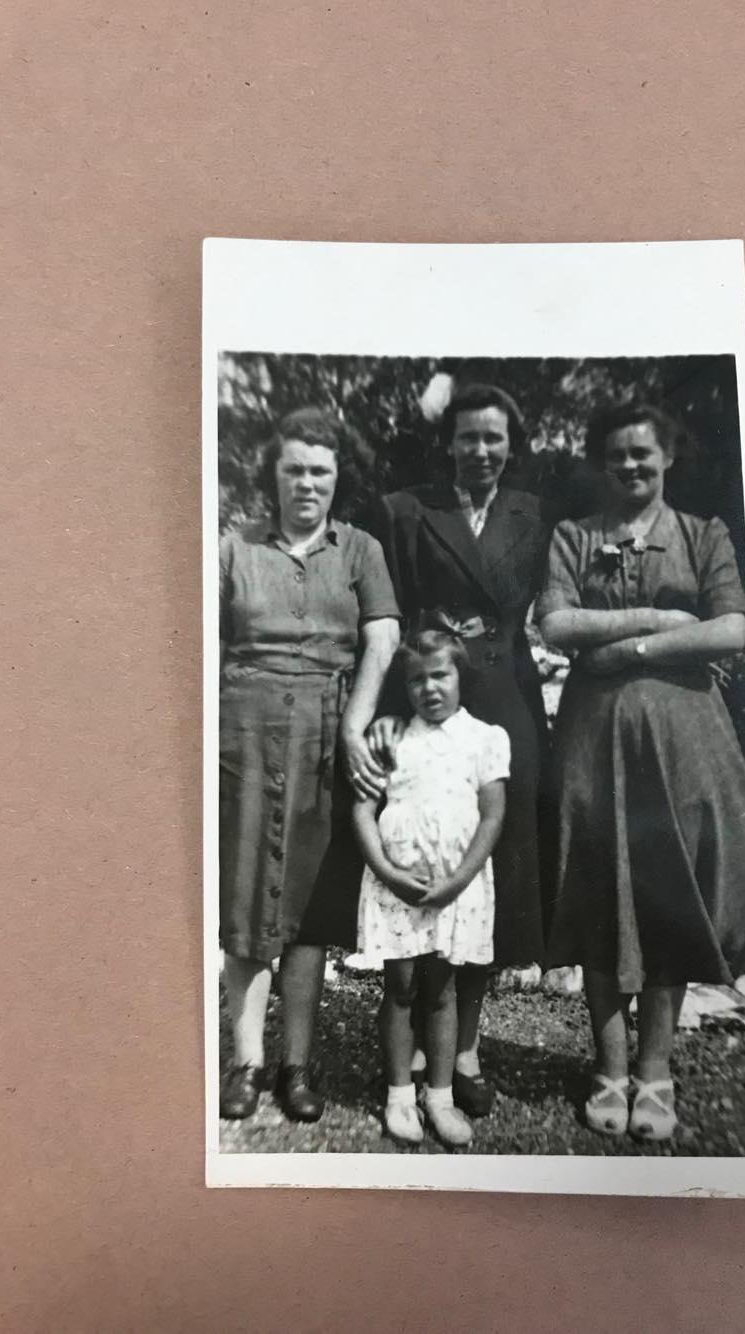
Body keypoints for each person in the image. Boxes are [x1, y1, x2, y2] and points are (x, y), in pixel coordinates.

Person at [538, 400, 745, 1143]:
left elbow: (732, 627)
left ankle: (657, 1070)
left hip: (682, 745)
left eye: (643, 453)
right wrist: (663, 622)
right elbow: (556, 621)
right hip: (594, 744)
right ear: (601, 463)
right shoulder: (575, 536)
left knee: (668, 894)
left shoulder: (704, 535)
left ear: (667, 456)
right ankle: (610, 1068)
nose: (630, 465)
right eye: (617, 455)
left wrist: (628, 652)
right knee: (598, 892)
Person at [364, 382, 553, 1118]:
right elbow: (391, 621)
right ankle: (416, 1037)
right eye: (468, 437)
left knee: (493, 873)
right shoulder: (407, 510)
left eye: (493, 437)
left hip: (503, 701)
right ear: (447, 443)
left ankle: (465, 1045)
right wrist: (388, 711)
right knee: (422, 854)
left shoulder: (532, 513)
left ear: (511, 444)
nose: (481, 450)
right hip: (426, 694)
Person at [218, 407, 399, 1121]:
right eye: (293, 469)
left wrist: (355, 724)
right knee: (244, 902)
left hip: (326, 737)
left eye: (319, 471)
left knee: (310, 910)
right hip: (244, 736)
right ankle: (246, 1063)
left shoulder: (361, 550)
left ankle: (295, 1066)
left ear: (336, 477)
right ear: (273, 474)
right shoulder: (233, 550)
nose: (306, 483)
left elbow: (383, 639)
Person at [353, 631, 509, 1148]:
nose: (430, 688)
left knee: (442, 991)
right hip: (397, 887)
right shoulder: (392, 739)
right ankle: (400, 1094)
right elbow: (362, 810)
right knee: (400, 988)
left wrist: (459, 881)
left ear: (461, 676)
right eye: (416, 679)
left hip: (454, 887)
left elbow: (493, 816)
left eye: (440, 674)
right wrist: (387, 872)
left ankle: (439, 1097)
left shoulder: (485, 739)